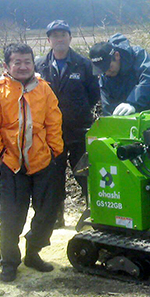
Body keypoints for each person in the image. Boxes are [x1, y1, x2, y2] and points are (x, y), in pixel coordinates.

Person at [0, 42, 63, 282]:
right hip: (12, 164)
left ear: (33, 64)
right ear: (7, 65)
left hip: (43, 161)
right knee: (11, 217)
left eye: (27, 62)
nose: (23, 67)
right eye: (17, 62)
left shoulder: (44, 89)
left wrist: (55, 150)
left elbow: (54, 122)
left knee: (47, 213)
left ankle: (33, 252)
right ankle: (9, 262)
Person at [36, 20, 99, 228]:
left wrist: (77, 112)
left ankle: (93, 215)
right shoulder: (40, 66)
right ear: (49, 40)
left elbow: (93, 95)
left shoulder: (84, 64)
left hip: (79, 130)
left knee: (85, 174)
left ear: (70, 38)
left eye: (63, 34)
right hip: (51, 133)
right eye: (55, 35)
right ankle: (56, 216)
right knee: (53, 176)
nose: (59, 39)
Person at [89, 33, 150, 116]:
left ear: (117, 56)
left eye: (109, 67)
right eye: (103, 70)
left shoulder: (138, 56)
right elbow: (108, 108)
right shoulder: (105, 78)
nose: (107, 73)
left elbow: (148, 79)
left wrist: (133, 103)